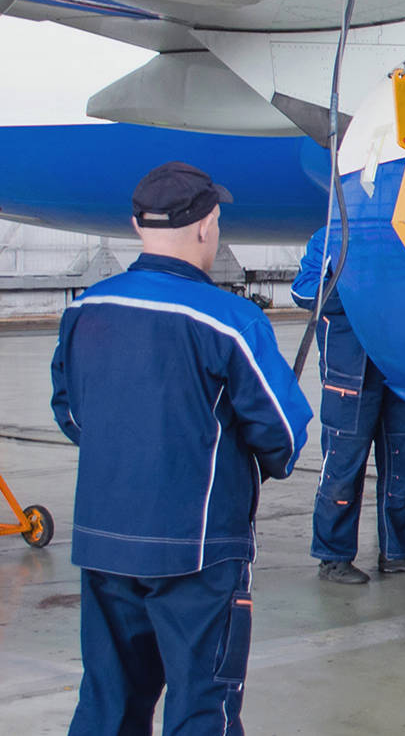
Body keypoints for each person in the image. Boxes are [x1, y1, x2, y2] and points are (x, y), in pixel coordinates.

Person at [51, 161, 313, 734]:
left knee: (107, 704)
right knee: (201, 708)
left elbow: (73, 414)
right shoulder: (230, 321)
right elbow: (284, 436)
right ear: (206, 226)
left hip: (103, 543)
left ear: (136, 225)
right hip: (196, 554)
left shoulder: (83, 310)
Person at [292, 225, 405, 584]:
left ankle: (399, 552)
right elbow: (302, 292)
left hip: (397, 374)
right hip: (350, 378)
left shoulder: (404, 231)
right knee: (343, 467)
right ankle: (333, 557)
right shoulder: (329, 237)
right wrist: (351, 291)